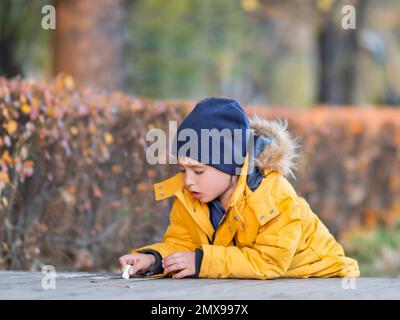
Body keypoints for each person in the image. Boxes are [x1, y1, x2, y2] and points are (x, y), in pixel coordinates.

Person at [119, 97, 360, 279]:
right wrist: (153, 259)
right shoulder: (191, 196)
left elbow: (268, 261)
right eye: (183, 170)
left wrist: (202, 262)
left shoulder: (274, 197)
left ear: (231, 165)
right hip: (266, 284)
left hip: (323, 279)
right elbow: (183, 245)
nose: (188, 181)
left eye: (198, 171)